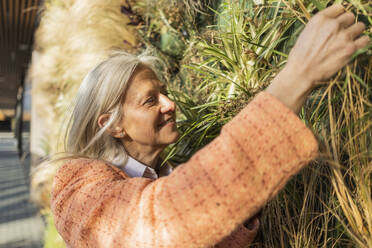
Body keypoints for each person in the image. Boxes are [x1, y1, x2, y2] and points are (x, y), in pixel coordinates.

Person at [50, 5, 370, 248]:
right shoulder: (73, 193)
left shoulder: (171, 173)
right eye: (150, 100)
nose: (169, 103)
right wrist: (296, 76)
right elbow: (159, 220)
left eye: (164, 92)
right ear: (113, 125)